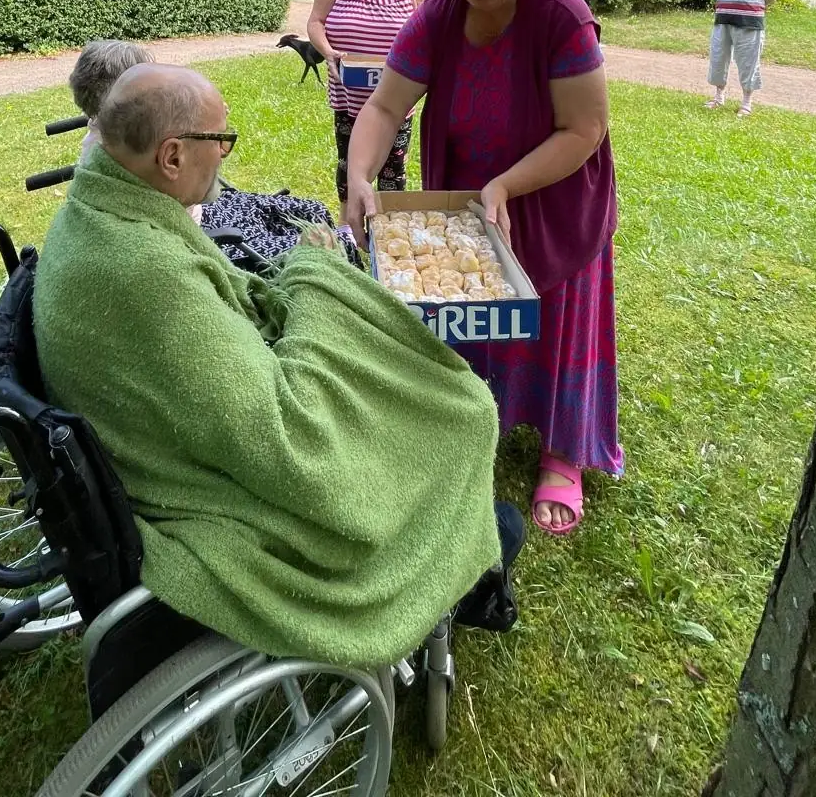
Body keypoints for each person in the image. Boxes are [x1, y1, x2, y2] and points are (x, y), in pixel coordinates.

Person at [33, 62, 523, 665]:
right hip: (204, 496)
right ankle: (454, 563)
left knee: (422, 402)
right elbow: (292, 439)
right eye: (222, 139)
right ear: (172, 156)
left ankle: (463, 533)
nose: (226, 153)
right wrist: (315, 276)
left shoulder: (99, 211)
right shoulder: (149, 275)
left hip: (155, 442)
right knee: (463, 411)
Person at [345, 0, 620, 536]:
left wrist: (506, 183)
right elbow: (385, 107)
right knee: (473, 311)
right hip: (465, 198)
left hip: (554, 193)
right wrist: (359, 177)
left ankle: (562, 450)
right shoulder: (441, 10)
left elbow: (584, 128)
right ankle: (474, 418)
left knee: (555, 314)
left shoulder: (560, 14)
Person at [67, 36, 363, 265]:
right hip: (204, 231)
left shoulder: (117, 135)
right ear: (125, 98)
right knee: (331, 246)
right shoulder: (131, 152)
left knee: (312, 210)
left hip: (205, 208)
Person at [307, 0, 428, 223]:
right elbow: (316, 22)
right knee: (349, 166)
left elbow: (429, 29)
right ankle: (349, 228)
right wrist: (329, 52)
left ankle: (387, 229)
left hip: (397, 98)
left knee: (393, 171)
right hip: (349, 96)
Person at [706, 0, 775, 116]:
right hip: (723, 21)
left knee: (748, 61)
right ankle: (718, 97)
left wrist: (752, 10)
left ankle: (746, 102)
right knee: (718, 58)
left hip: (749, 23)